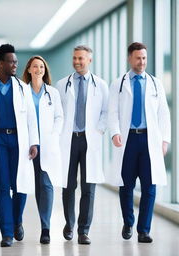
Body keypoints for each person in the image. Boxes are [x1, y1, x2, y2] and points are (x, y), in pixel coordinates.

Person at [0, 44, 39, 247]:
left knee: (20, 186)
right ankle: (7, 234)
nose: (15, 65)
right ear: (0, 64)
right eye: (11, 61)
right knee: (3, 187)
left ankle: (17, 220)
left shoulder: (22, 87)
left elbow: (31, 117)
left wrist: (34, 141)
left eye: (16, 61)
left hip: (19, 141)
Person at [108, 42, 171, 243]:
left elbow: (164, 114)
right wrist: (115, 132)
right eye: (138, 58)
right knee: (126, 185)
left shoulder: (155, 83)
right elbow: (113, 112)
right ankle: (128, 222)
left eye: (144, 58)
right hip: (128, 139)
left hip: (149, 140)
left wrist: (165, 140)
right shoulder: (118, 84)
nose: (142, 62)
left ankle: (144, 230)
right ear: (130, 58)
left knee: (149, 186)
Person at [56, 45, 109, 245]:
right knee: (68, 186)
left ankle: (83, 230)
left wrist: (99, 130)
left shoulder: (101, 85)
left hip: (89, 139)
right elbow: (59, 112)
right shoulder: (63, 84)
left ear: (89, 61)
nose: (77, 61)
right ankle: (69, 225)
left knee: (89, 188)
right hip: (69, 140)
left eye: (81, 58)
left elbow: (106, 111)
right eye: (75, 58)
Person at [22, 56, 63, 244]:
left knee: (45, 185)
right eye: (35, 66)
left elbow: (59, 117)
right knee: (24, 185)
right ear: (29, 70)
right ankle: (17, 224)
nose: (38, 69)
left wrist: (54, 136)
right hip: (27, 145)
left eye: (41, 67)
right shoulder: (21, 92)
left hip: (47, 146)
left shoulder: (52, 93)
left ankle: (45, 228)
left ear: (45, 70)